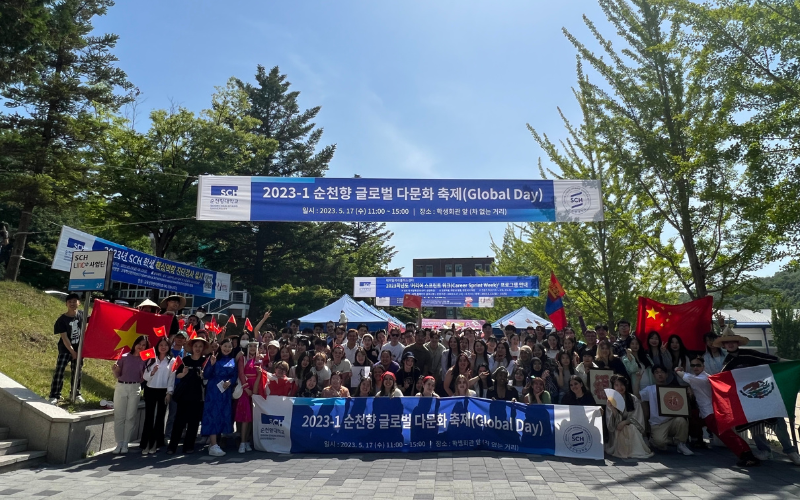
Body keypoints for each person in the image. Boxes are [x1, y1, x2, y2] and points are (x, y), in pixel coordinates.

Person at [716, 326, 800, 465]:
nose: (730, 344)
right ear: (724, 345)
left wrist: (792, 364)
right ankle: (765, 451)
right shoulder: (727, 364)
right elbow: (725, 383)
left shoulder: (750, 354)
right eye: (727, 342)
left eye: (733, 341)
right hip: (747, 399)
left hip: (766, 393)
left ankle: (791, 452)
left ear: (737, 343)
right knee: (755, 425)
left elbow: (773, 360)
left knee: (778, 423)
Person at [675, 357, 760, 466]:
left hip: (710, 412)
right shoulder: (703, 377)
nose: (695, 367)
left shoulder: (702, 379)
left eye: (698, 365)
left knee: (727, 435)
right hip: (706, 412)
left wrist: (677, 370)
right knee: (725, 434)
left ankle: (746, 455)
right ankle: (745, 454)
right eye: (693, 365)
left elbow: (685, 377)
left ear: (703, 366)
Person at [639, 365, 694, 456]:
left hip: (673, 421)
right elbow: (638, 396)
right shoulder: (649, 389)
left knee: (681, 419)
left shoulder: (675, 389)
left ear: (667, 374)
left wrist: (689, 389)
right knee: (661, 443)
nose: (660, 374)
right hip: (657, 424)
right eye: (657, 372)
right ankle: (656, 440)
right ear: (653, 375)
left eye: (662, 372)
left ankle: (681, 444)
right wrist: (637, 380)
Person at [167, 336, 208, 455]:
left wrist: (203, 376)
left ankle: (189, 446)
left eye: (200, 346)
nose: (198, 348)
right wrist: (183, 374)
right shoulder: (185, 360)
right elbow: (177, 375)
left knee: (194, 422)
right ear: (191, 347)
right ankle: (172, 446)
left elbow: (208, 377)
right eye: (196, 346)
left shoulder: (205, 362)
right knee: (179, 421)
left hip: (198, 395)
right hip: (184, 394)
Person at [111, 335, 149, 454]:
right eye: (139, 344)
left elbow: (143, 378)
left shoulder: (145, 360)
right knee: (119, 416)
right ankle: (119, 443)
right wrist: (114, 369)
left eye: (144, 345)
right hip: (122, 386)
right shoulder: (124, 357)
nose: (141, 347)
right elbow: (117, 374)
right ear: (134, 344)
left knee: (130, 416)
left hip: (135, 387)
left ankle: (126, 443)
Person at [202, 338, 237, 457]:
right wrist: (211, 365)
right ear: (220, 346)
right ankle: (213, 444)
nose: (227, 348)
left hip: (225, 391)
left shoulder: (232, 360)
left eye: (229, 347)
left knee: (222, 414)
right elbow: (206, 374)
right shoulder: (213, 358)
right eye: (225, 346)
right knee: (212, 414)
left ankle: (216, 443)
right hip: (213, 390)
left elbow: (234, 375)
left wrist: (230, 381)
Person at [141, 337, 176, 454]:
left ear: (169, 347)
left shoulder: (171, 360)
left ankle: (155, 443)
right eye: (161, 345)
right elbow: (145, 377)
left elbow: (171, 378)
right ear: (157, 346)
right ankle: (146, 444)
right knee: (149, 417)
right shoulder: (151, 359)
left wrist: (169, 393)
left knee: (160, 418)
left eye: (166, 345)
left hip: (163, 391)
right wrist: (152, 372)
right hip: (150, 389)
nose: (163, 347)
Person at [605, 375, 653, 459]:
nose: (619, 387)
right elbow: (611, 424)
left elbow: (637, 417)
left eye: (621, 385)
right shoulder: (611, 400)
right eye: (616, 385)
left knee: (630, 428)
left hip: (631, 427)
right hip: (617, 429)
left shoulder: (633, 399)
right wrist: (613, 409)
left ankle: (632, 450)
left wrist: (625, 422)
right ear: (613, 386)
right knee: (621, 429)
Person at [49, 293, 85, 405]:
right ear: (66, 304)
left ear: (79, 303)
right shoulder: (62, 320)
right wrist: (72, 351)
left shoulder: (82, 315)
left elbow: (97, 318)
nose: (72, 304)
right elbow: (64, 338)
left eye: (75, 301)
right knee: (60, 371)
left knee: (77, 372)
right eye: (70, 302)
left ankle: (75, 393)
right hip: (65, 349)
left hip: (79, 349)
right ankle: (55, 395)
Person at [235, 340, 263, 453]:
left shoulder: (259, 359)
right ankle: (242, 442)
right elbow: (241, 373)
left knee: (252, 415)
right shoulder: (243, 358)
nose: (252, 348)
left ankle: (246, 441)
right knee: (245, 416)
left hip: (255, 387)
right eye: (250, 346)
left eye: (254, 346)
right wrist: (246, 388)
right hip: (245, 387)